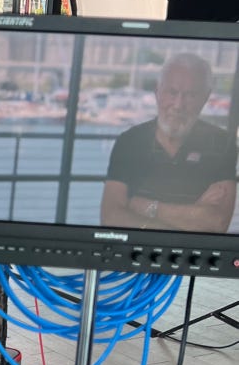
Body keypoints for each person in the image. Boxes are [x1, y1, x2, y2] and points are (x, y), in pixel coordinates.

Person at [100, 52, 237, 232]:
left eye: (190, 95)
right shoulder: (129, 141)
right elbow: (110, 217)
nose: (178, 105)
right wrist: (190, 217)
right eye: (172, 92)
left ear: (205, 97)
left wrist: (147, 207)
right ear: (157, 92)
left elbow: (216, 224)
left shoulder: (223, 144)